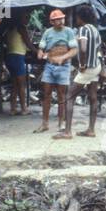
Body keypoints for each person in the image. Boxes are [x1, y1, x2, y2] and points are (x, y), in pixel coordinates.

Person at [35, 8, 77, 137]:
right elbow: (41, 48)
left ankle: (61, 123)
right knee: (46, 94)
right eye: (57, 19)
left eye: (61, 18)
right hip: (50, 65)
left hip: (64, 67)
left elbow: (74, 50)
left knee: (61, 95)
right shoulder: (48, 32)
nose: (60, 21)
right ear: (52, 22)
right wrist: (40, 53)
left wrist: (62, 58)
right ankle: (45, 123)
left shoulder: (69, 32)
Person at [70, 5, 103, 138]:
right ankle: (91, 129)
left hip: (87, 68)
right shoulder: (95, 30)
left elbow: (83, 49)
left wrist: (82, 64)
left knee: (69, 96)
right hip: (96, 66)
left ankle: (67, 131)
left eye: (76, 17)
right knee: (93, 97)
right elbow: (99, 51)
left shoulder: (83, 29)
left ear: (80, 17)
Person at [1, 11, 32, 116]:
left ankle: (13, 109)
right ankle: (24, 109)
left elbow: (5, 41)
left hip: (10, 57)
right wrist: (37, 51)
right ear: (21, 18)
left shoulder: (10, 29)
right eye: (26, 17)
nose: (28, 19)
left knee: (15, 85)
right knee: (22, 85)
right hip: (18, 57)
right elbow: (28, 43)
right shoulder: (21, 28)